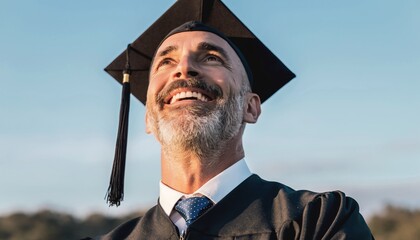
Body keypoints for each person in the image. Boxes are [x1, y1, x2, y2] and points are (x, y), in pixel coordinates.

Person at [88, 0, 374, 239]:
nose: (184, 68)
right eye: (166, 61)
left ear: (250, 108)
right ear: (148, 118)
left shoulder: (317, 222)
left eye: (212, 58)